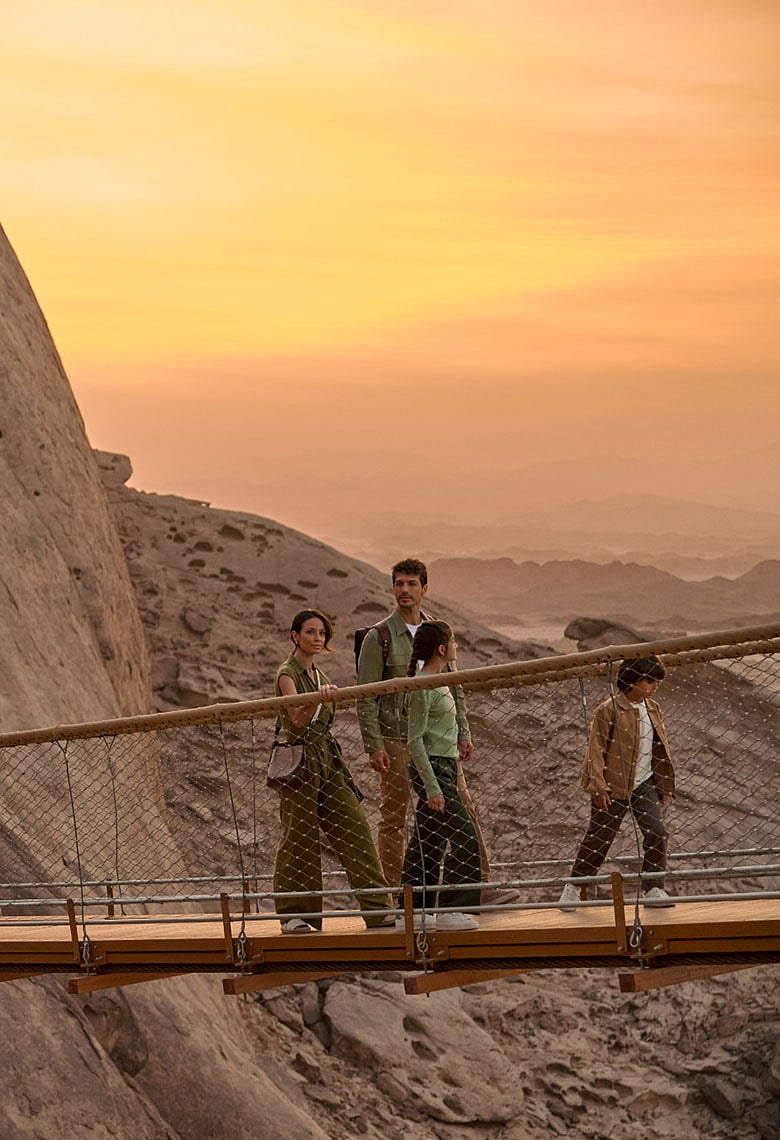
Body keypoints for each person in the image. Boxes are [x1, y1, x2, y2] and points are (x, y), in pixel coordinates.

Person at [357, 557, 488, 889]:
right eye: (399, 583)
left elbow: (454, 685)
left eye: (411, 584)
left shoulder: (438, 631)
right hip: (397, 738)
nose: (404, 590)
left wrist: (463, 732)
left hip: (439, 739)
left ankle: (478, 885)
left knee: (461, 805)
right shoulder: (379, 637)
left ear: (424, 588)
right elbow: (366, 696)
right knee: (394, 816)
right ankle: (396, 893)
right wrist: (374, 745)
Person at [272, 609, 393, 933]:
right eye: (310, 632)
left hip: (328, 758)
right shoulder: (287, 674)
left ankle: (379, 909)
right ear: (295, 636)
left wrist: (320, 695)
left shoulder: (320, 675)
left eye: (322, 633)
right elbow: (297, 719)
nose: (317, 638)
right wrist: (316, 700)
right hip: (300, 760)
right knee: (299, 836)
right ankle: (295, 915)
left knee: (355, 828)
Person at [558, 656, 676, 912]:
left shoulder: (653, 708)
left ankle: (653, 887)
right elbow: (596, 750)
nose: (654, 686)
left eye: (657, 681)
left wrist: (662, 785)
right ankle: (574, 886)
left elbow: (659, 748)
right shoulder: (608, 710)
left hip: (644, 784)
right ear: (631, 680)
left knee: (657, 832)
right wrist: (598, 787)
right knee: (600, 838)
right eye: (649, 681)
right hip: (612, 786)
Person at [398, 621, 481, 931]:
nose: (457, 646)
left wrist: (460, 739)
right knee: (465, 838)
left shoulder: (440, 682)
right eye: (454, 642)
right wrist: (433, 788)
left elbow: (438, 728)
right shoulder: (423, 687)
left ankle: (411, 912)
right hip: (432, 770)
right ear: (442, 649)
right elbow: (415, 740)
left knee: (428, 841)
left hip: (445, 765)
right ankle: (450, 909)